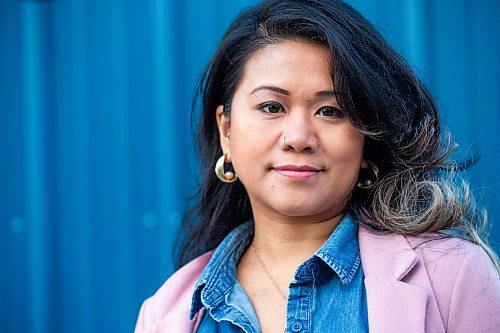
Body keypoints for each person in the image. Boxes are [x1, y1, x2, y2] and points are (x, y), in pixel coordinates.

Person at [135, 0, 500, 332]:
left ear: (366, 138)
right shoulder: (164, 314)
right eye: (271, 107)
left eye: (331, 111)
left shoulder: (454, 277)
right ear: (227, 130)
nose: (298, 137)